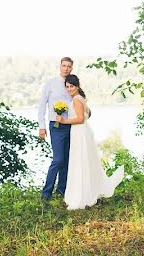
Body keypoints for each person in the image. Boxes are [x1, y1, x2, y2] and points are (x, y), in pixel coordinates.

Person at [55, 74, 125, 210]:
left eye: (71, 86)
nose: (69, 89)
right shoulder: (81, 98)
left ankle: (82, 195)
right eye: (67, 87)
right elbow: (88, 114)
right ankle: (88, 190)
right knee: (84, 161)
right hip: (82, 132)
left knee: (80, 161)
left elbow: (81, 118)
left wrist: (64, 121)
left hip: (80, 132)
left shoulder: (76, 99)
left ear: (77, 86)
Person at [37, 57, 74, 199]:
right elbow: (42, 105)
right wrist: (42, 126)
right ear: (60, 66)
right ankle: (46, 194)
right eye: (64, 65)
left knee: (66, 160)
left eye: (69, 66)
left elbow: (79, 101)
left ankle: (61, 191)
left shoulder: (72, 84)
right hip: (56, 126)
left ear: (72, 68)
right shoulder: (51, 83)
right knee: (58, 159)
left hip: (71, 125)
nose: (66, 68)